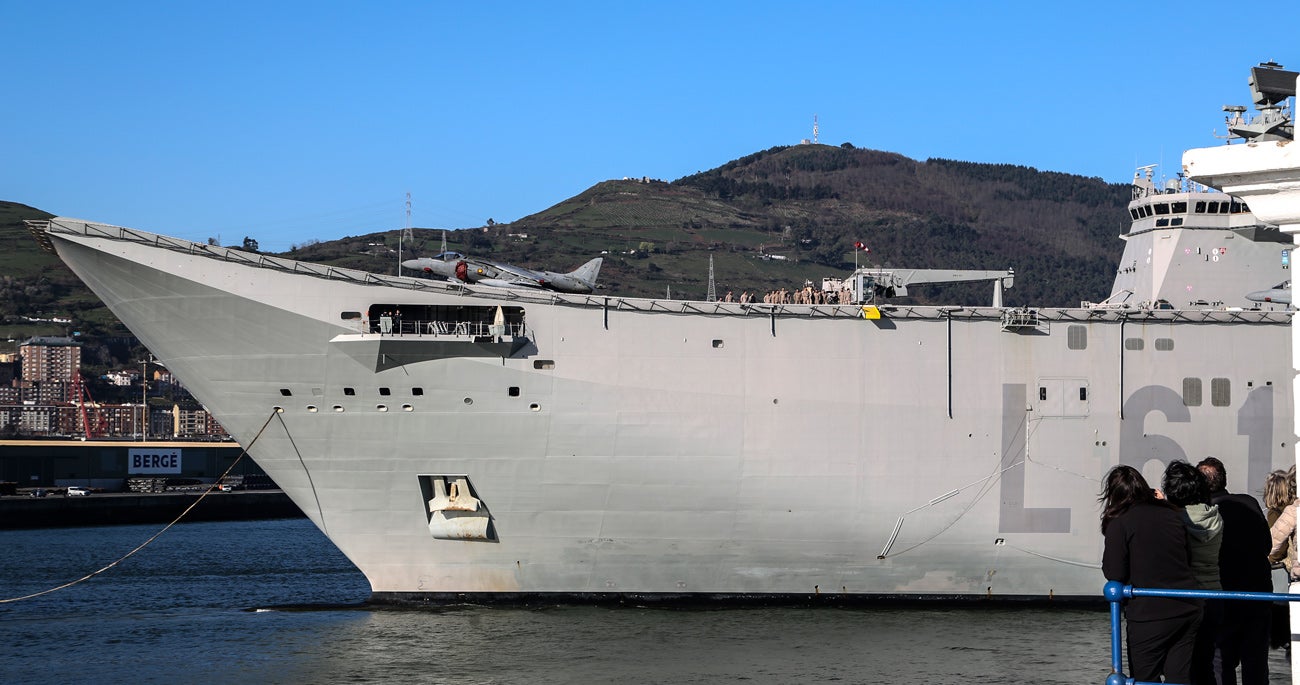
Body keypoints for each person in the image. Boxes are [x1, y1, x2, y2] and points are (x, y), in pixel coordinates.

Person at [1101, 464, 1202, 683]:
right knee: (1179, 678)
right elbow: (1188, 558)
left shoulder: (1120, 522)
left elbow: (1114, 572)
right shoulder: (1171, 514)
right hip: (1187, 608)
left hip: (1149, 614)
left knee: (1146, 678)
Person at [1197, 456, 1272, 685]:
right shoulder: (1249, 502)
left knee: (1221, 662)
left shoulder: (1205, 513)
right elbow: (1266, 545)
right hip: (1258, 595)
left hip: (1223, 595)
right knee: (1256, 663)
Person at [1163, 460, 1223, 685]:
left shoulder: (1173, 520)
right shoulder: (1215, 517)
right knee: (1205, 665)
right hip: (1214, 596)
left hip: (1185, 601)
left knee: (1179, 669)